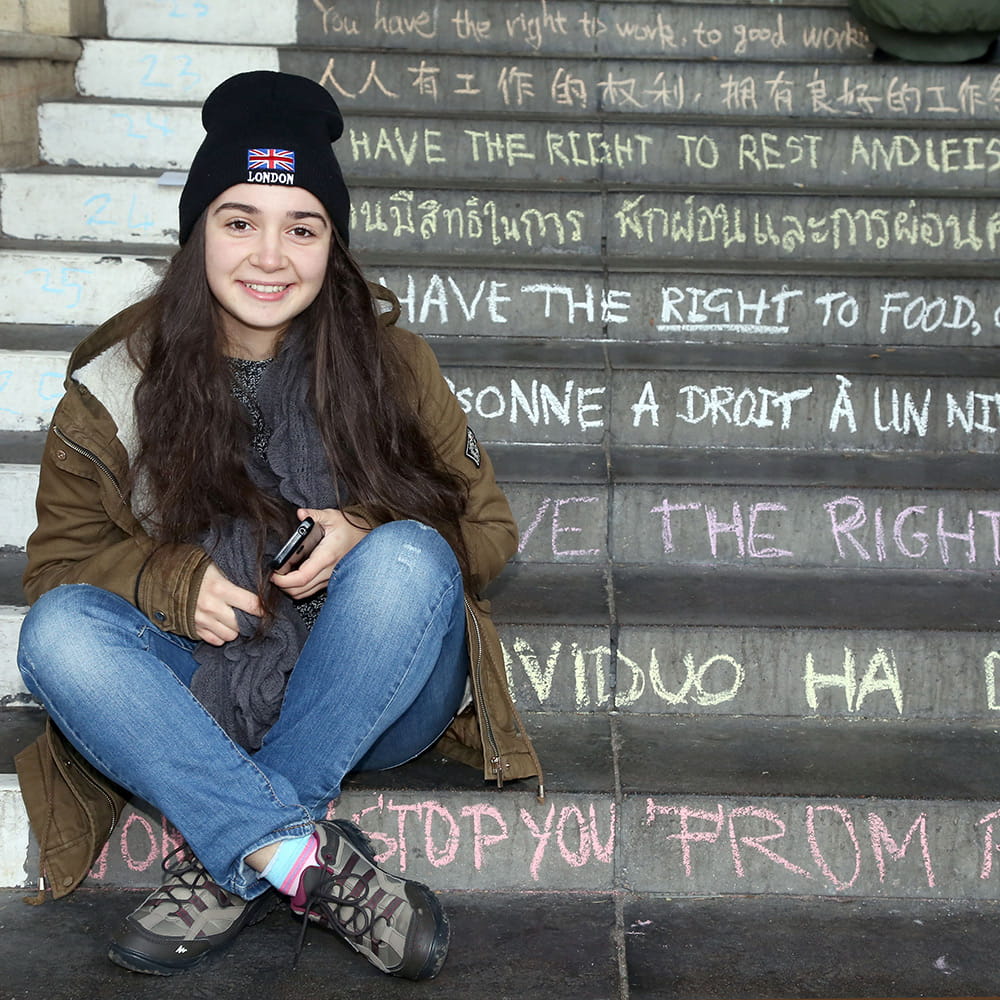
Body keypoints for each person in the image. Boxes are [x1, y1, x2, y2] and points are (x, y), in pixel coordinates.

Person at [14, 70, 542, 981]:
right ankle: (296, 858)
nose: (270, 257)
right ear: (198, 235)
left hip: (373, 688)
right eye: (239, 222)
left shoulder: (392, 363)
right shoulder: (117, 378)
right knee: (58, 632)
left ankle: (233, 842)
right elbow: (56, 570)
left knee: (409, 557)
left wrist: (364, 530)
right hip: (197, 688)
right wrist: (165, 581)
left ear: (333, 244)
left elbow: (488, 532)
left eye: (302, 227)